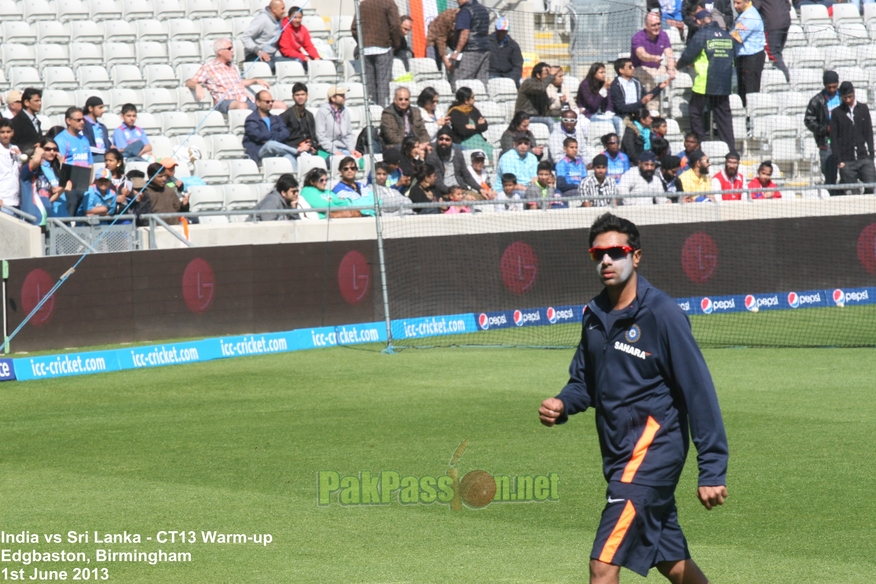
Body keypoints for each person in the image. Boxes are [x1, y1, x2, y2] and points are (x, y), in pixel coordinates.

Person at [538, 212, 729, 584]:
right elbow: (585, 382)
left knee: (603, 564)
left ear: (636, 256)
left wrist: (712, 469)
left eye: (617, 251)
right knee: (670, 561)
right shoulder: (593, 315)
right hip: (618, 455)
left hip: (652, 452)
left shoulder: (663, 313)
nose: (607, 260)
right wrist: (562, 404)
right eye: (599, 254)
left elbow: (699, 391)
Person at [676, 10, 736, 150]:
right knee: (723, 117)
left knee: (695, 111)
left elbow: (688, 55)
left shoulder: (702, 34)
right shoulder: (727, 35)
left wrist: (677, 66)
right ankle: (729, 150)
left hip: (705, 82)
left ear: (698, 21)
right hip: (724, 82)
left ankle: (701, 144)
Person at [186, 39, 273, 113]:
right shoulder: (209, 67)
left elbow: (239, 82)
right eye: (229, 48)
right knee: (242, 106)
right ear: (220, 51)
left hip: (245, 99)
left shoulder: (233, 66)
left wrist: (255, 81)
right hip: (225, 101)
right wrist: (197, 86)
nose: (232, 51)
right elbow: (190, 82)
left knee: (277, 105)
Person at [352, 0, 402, 108]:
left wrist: (362, 42)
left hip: (365, 50)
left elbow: (354, 28)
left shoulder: (363, 4)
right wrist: (395, 44)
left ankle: (372, 110)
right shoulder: (388, 3)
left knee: (369, 84)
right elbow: (396, 26)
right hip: (383, 48)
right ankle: (382, 112)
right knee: (383, 84)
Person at [831, 81, 876, 196]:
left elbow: (868, 132)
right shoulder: (837, 113)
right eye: (845, 98)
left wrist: (871, 154)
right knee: (853, 193)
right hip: (847, 161)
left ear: (854, 93)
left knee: (871, 186)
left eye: (850, 97)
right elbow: (834, 138)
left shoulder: (863, 109)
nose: (847, 100)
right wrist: (839, 161)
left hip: (863, 157)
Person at [243, 90, 298, 169]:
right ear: (258, 102)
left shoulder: (276, 118)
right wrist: (275, 136)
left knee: (289, 157)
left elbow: (286, 133)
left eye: (272, 101)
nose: (271, 103)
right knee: (270, 144)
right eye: (267, 102)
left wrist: (269, 137)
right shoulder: (251, 120)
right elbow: (259, 136)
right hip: (258, 152)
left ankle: (294, 179)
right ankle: (296, 151)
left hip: (275, 150)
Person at [54, 107, 93, 217]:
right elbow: (59, 164)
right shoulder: (61, 140)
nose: (82, 122)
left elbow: (90, 163)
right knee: (69, 217)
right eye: (78, 120)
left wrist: (89, 184)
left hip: (83, 185)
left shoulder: (84, 139)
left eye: (83, 120)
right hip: (69, 187)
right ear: (68, 121)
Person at [20, 137, 70, 223]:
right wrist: (38, 150)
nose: (52, 152)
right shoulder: (28, 172)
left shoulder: (49, 172)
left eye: (55, 149)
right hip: (33, 216)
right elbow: (35, 161)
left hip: (47, 215)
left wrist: (62, 187)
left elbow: (49, 197)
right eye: (47, 149)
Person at [805, 71, 840, 187]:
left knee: (847, 172)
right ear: (824, 85)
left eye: (834, 87)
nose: (832, 89)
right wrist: (825, 129)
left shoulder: (843, 97)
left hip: (843, 140)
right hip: (827, 142)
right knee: (829, 173)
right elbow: (809, 120)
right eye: (829, 87)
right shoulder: (817, 100)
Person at [425, 127, 481, 197]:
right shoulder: (432, 157)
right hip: (446, 193)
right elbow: (438, 183)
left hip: (461, 190)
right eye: (441, 139)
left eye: (447, 139)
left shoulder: (457, 153)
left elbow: (466, 175)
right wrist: (458, 193)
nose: (444, 142)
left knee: (487, 198)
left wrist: (480, 189)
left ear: (452, 141)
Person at [631, 12, 677, 93]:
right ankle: (653, 103)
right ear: (646, 26)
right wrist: (653, 58)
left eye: (658, 24)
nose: (657, 27)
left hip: (658, 67)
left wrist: (671, 69)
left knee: (676, 75)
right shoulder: (638, 37)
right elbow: (641, 54)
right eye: (653, 25)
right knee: (652, 78)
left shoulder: (663, 35)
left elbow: (669, 53)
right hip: (640, 68)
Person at [731, 0, 766, 108]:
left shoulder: (750, 16)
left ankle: (751, 120)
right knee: (742, 90)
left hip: (751, 58)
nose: (735, 6)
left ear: (747, 2)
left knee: (750, 91)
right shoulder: (744, 14)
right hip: (743, 57)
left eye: (738, 3)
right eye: (734, 3)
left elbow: (737, 37)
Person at [450, 0, 492, 86]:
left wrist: (457, 52)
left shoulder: (466, 10)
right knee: (481, 83)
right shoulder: (483, 9)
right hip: (485, 49)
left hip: (470, 50)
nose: (456, 1)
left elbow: (465, 32)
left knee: (460, 82)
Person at [515, 63, 566, 131]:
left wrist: (563, 113)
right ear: (538, 75)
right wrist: (551, 76)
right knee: (549, 121)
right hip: (525, 117)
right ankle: (553, 140)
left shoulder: (543, 87)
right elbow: (539, 89)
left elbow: (547, 112)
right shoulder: (529, 82)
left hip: (538, 117)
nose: (550, 76)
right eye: (547, 73)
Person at [380, 87, 431, 152]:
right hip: (396, 147)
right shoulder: (388, 113)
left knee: (432, 147)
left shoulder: (416, 112)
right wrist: (413, 145)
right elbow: (392, 138)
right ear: (395, 100)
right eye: (400, 99)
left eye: (406, 99)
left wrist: (425, 143)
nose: (403, 102)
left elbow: (423, 131)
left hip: (416, 144)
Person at [241, 0, 287, 72]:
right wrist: (258, 51)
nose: (284, 11)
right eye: (282, 8)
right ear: (274, 9)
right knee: (270, 66)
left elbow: (274, 43)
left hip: (272, 57)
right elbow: (245, 37)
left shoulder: (279, 20)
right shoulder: (262, 19)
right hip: (255, 56)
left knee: (295, 62)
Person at [315, 86, 360, 158]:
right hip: (327, 151)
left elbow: (349, 134)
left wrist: (352, 150)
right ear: (333, 98)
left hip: (344, 150)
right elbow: (321, 137)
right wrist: (335, 151)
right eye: (341, 96)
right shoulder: (322, 112)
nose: (345, 98)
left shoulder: (345, 111)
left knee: (361, 162)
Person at [446, 86, 491, 157]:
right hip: (465, 143)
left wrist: (474, 127)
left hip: (480, 141)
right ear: (466, 100)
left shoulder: (473, 110)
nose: (474, 100)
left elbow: (485, 126)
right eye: (472, 98)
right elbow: (462, 131)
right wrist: (478, 127)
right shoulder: (454, 112)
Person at [280, 82, 317, 167]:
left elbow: (314, 136)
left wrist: (313, 146)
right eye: (297, 95)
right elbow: (281, 139)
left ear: (307, 96)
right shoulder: (286, 115)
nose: (300, 97)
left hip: (309, 150)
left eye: (303, 94)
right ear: (292, 97)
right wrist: (297, 147)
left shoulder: (309, 115)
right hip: (293, 151)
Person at [753, 0, 790, 82]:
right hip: (785, 21)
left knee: (773, 53)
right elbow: (788, 5)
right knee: (777, 52)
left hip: (772, 24)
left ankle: (786, 79)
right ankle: (778, 79)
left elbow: (754, 8)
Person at [576, 62, 618, 132]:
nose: (604, 75)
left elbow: (609, 101)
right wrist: (604, 89)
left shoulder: (603, 83)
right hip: (589, 113)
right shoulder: (585, 85)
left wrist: (608, 111)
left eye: (604, 72)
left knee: (618, 121)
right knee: (608, 124)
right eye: (601, 72)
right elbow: (593, 105)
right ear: (594, 74)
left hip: (603, 113)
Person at [278, 6, 321, 71]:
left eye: (299, 17)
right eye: (294, 17)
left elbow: (309, 46)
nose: (297, 20)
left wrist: (316, 57)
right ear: (289, 17)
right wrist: (304, 58)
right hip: (285, 57)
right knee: (300, 61)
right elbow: (286, 51)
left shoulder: (303, 29)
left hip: (297, 55)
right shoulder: (284, 28)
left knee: (319, 61)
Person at [488, 17, 523, 87]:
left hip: (508, 75)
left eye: (504, 31)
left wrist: (513, 78)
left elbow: (517, 65)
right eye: (499, 31)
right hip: (491, 74)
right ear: (495, 29)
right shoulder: (487, 42)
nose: (501, 33)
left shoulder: (513, 45)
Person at [426, 8, 459, 73]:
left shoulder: (468, 18)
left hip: (451, 37)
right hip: (435, 38)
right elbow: (440, 38)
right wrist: (447, 62)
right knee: (433, 63)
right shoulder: (446, 17)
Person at [10, 88, 43, 152]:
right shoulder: (16, 122)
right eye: (36, 101)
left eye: (40, 101)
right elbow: (12, 144)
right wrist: (31, 148)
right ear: (26, 102)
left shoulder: (36, 121)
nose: (40, 103)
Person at [0, 118, 22, 211]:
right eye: (2, 132)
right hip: (3, 201)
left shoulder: (15, 148)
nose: (5, 135)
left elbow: (19, 172)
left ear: (12, 133)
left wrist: (19, 158)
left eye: (8, 132)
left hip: (16, 200)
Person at [82, 96, 111, 164]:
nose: (103, 110)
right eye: (100, 108)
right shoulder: (83, 124)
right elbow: (85, 145)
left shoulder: (102, 127)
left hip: (104, 155)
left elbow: (107, 144)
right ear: (90, 108)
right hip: (92, 156)